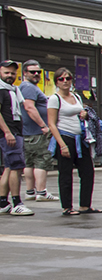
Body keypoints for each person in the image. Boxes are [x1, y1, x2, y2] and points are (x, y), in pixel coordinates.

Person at [45, 69, 98, 216]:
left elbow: (81, 114)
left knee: (88, 172)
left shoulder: (76, 96)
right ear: (56, 82)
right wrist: (62, 145)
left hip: (80, 138)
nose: (65, 81)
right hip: (65, 137)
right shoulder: (54, 99)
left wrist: (84, 114)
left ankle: (85, 205)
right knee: (66, 173)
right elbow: (52, 124)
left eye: (67, 78)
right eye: (61, 79)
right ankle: (67, 207)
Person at [14, 61, 53, 202]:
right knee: (41, 161)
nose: (36, 74)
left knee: (29, 163)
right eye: (32, 72)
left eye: (38, 72)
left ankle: (30, 191)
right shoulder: (28, 87)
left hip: (29, 132)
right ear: (24, 73)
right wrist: (43, 126)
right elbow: (30, 107)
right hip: (36, 132)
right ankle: (41, 192)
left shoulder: (26, 87)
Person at [0, 62, 31, 215]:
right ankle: (16, 202)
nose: (10, 76)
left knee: (9, 167)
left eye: (12, 73)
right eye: (6, 73)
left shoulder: (13, 90)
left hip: (14, 132)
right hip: (10, 133)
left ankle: (2, 203)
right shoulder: (1, 90)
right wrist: (7, 132)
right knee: (16, 167)